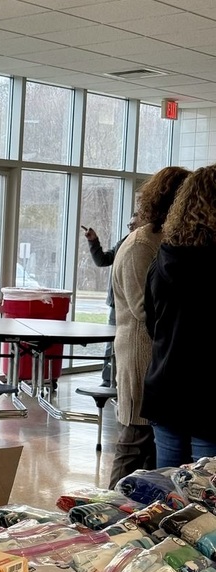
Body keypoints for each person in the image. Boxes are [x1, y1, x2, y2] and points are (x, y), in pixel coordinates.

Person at [109, 167, 189, 486]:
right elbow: (146, 310)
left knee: (146, 447)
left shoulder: (164, 240)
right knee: (133, 442)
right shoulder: (143, 244)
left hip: (156, 356)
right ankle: (102, 514)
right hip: (141, 357)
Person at [142, 164, 216, 468]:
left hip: (166, 387)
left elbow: (151, 324)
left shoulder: (162, 261)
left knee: (168, 493)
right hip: (210, 393)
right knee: (209, 496)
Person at [82, 214, 138, 386]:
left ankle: (127, 380)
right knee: (111, 342)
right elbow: (102, 260)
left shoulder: (147, 244)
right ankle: (108, 380)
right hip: (117, 302)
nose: (130, 225)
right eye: (129, 223)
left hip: (134, 303)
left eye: (134, 222)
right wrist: (94, 241)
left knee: (129, 343)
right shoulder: (124, 242)